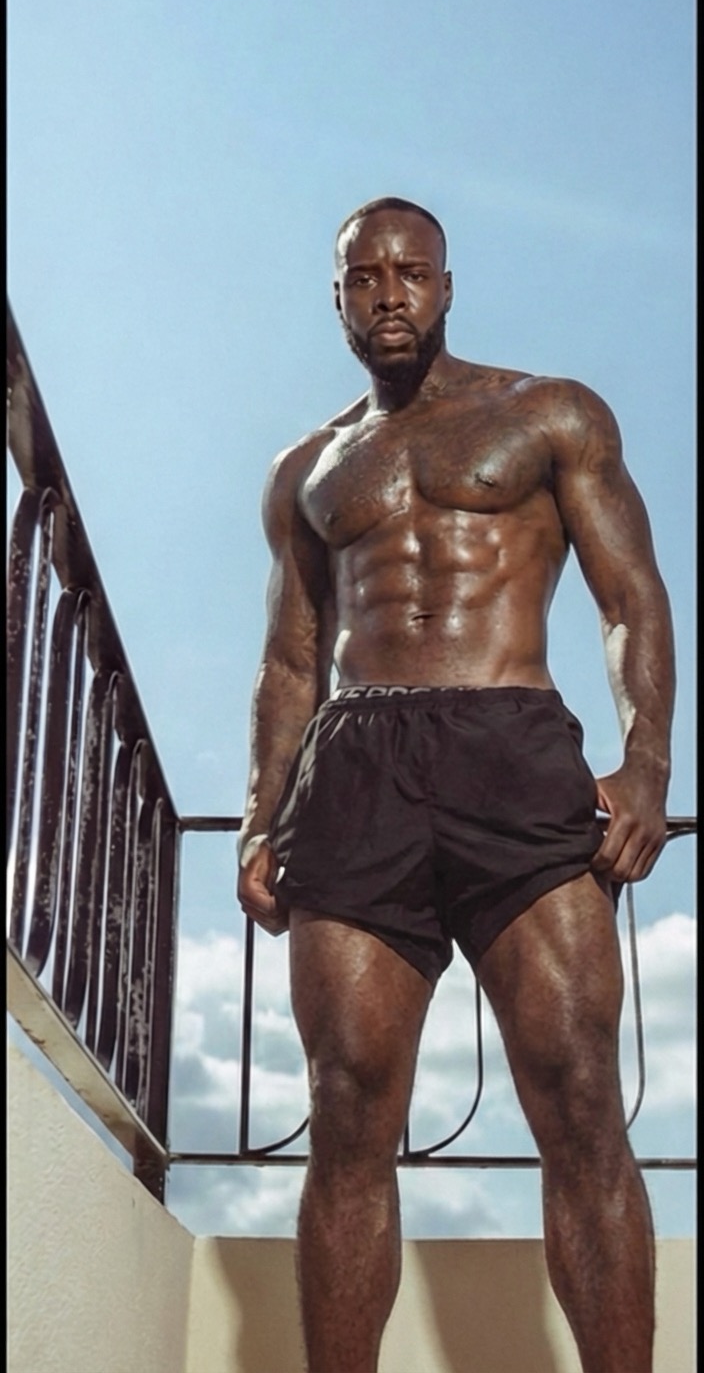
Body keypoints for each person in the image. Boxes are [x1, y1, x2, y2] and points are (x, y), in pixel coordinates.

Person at [237, 197, 675, 1373]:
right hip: (355, 764)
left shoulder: (548, 413)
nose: (388, 293)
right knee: (345, 1108)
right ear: (337, 299)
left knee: (576, 1094)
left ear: (444, 284)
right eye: (363, 277)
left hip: (509, 743)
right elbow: (290, 658)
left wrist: (644, 761)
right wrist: (258, 816)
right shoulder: (307, 470)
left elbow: (629, 598)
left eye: (410, 272)